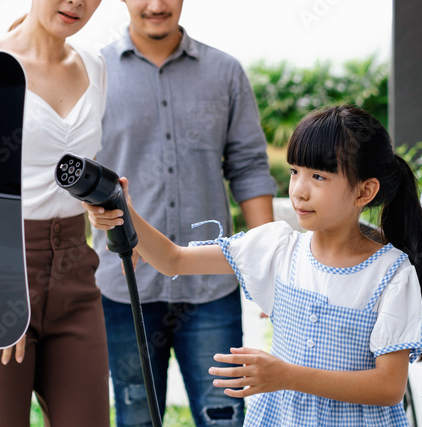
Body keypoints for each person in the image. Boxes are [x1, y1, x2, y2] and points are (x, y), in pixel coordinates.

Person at [89, 105, 422, 426]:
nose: (299, 189)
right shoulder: (278, 249)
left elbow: (388, 388)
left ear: (365, 191)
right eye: (295, 171)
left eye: (319, 177)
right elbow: (174, 259)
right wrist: (124, 210)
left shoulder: (391, 273)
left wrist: (285, 375)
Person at [93, 0, 276, 425]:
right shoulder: (93, 73)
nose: (156, 5)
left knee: (224, 416)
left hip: (210, 287)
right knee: (136, 417)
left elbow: (248, 167)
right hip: (126, 290)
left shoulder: (225, 71)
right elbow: (76, 171)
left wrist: (269, 264)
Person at [0, 1, 111, 425]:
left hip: (75, 271)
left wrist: (98, 200)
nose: (76, 3)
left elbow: (72, 164)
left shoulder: (95, 66)